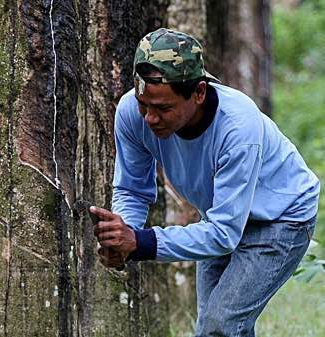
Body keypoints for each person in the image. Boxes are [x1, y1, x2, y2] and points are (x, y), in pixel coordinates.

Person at [89, 28, 319, 336]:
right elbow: (131, 189)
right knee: (213, 328)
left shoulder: (238, 129)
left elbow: (224, 235)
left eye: (163, 108)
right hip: (220, 215)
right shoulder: (132, 112)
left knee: (219, 326)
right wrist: (123, 238)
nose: (150, 119)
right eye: (144, 105)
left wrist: (140, 242)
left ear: (198, 92)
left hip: (281, 218)